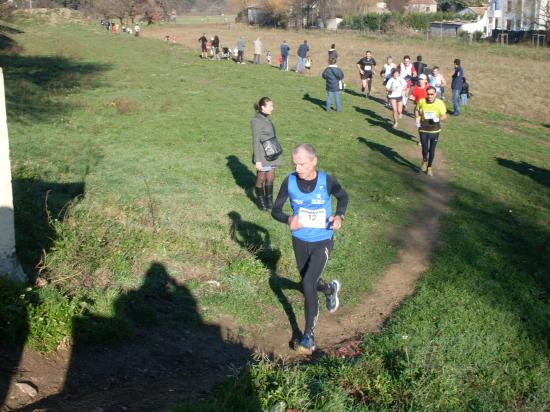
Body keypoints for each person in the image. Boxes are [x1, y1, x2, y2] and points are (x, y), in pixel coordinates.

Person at [271, 143, 348, 354]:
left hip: (323, 238)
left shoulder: (326, 181)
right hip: (299, 240)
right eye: (295, 164)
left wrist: (339, 216)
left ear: (314, 161)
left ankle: (308, 336)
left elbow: (343, 197)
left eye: (302, 164)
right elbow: (275, 210)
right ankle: (330, 289)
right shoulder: (290, 181)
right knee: (309, 283)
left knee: (307, 283)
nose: (297, 169)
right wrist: (288, 220)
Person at [251, 97, 282, 210]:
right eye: (270, 106)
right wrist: (258, 160)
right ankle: (261, 203)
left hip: (272, 153)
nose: (272, 108)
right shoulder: (256, 121)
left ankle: (269, 202)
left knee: (271, 177)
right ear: (263, 107)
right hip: (262, 155)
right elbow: (255, 140)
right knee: (261, 178)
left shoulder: (267, 119)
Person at [415, 86, 448, 176]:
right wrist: (417, 119)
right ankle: (424, 159)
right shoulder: (422, 101)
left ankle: (429, 167)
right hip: (423, 129)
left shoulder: (439, 103)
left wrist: (438, 118)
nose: (429, 96)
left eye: (431, 94)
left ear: (435, 94)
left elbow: (445, 116)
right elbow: (417, 110)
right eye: (428, 94)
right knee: (425, 149)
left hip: (435, 130)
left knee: (432, 150)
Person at [410, 74, 429, 145]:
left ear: (425, 80)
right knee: (419, 125)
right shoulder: (415, 88)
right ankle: (422, 139)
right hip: (417, 109)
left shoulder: (428, 88)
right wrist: (412, 97)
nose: (420, 80)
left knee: (426, 125)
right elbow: (413, 96)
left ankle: (426, 137)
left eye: (421, 79)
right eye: (419, 79)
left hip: (427, 109)